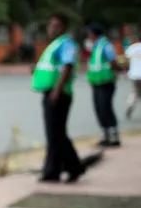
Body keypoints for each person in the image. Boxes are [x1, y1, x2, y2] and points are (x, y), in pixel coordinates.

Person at [31, 13, 84, 184]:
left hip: (59, 94)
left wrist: (57, 90)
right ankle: (53, 170)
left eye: (55, 25)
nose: (51, 29)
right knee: (54, 134)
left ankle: (72, 167)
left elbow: (67, 68)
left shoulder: (66, 44)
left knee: (57, 133)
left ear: (62, 27)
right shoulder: (54, 45)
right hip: (51, 92)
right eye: (50, 25)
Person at [86, 23, 122, 147]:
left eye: (89, 33)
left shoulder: (105, 45)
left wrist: (117, 72)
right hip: (97, 82)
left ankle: (113, 136)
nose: (88, 36)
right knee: (99, 108)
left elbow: (113, 61)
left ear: (94, 34)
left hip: (106, 82)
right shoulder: (96, 46)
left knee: (106, 107)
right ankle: (105, 135)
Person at [124, 35, 141, 119]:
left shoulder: (132, 48)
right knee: (137, 93)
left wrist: (127, 71)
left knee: (135, 92)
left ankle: (130, 106)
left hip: (134, 75)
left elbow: (126, 60)